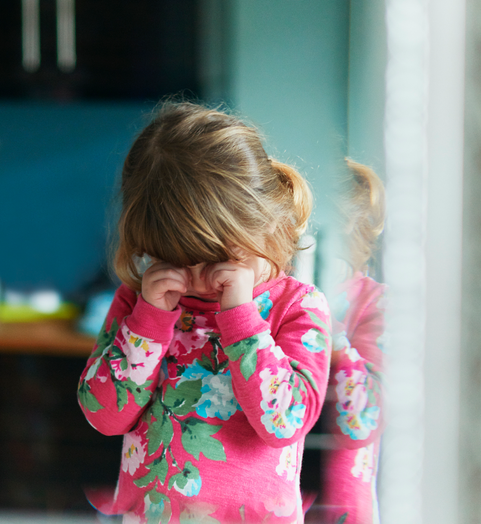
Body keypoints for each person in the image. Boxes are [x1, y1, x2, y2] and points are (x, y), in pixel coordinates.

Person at [78, 102, 332, 523]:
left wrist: (241, 319)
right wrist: (149, 323)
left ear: (261, 223)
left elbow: (283, 424)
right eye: (173, 257)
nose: (196, 277)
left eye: (216, 255)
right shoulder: (137, 302)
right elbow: (104, 416)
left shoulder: (299, 307)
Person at [310, 160, 386, 524]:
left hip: (338, 504)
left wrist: (329, 331)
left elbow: (363, 420)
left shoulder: (375, 304)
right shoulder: (270, 292)